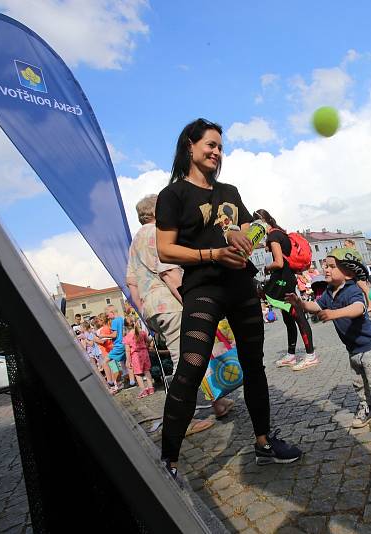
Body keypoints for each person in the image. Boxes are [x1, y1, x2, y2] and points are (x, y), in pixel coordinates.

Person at [155, 118, 301, 477]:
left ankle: (264, 443)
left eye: (221, 147)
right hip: (203, 288)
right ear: (190, 146)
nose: (217, 152)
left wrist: (243, 234)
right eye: (211, 145)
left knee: (254, 366)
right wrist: (214, 254)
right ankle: (168, 462)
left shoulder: (230, 192)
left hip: (240, 286)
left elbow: (252, 228)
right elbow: (165, 249)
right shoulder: (172, 196)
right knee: (190, 368)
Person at [126, 194, 230, 429]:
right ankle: (184, 421)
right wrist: (192, 302)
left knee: (193, 355)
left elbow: (131, 282)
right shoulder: (157, 234)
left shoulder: (135, 241)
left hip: (153, 307)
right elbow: (170, 273)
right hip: (171, 304)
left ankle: (218, 403)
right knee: (183, 360)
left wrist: (144, 313)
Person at [285, 248, 371, 432]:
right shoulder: (329, 292)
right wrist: (300, 304)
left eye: (332, 266)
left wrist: (334, 313)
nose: (326, 269)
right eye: (325, 265)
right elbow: (315, 306)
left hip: (369, 346)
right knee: (359, 383)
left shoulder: (352, 290)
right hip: (353, 349)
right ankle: (370, 409)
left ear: (348, 273)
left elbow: (358, 308)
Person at [254, 208, 319, 371]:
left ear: (261, 222)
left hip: (283, 279)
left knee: (296, 314)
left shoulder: (273, 236)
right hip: (285, 278)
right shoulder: (279, 233)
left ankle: (310, 355)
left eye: (255, 225)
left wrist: (267, 268)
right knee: (288, 317)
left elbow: (279, 263)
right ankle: (291, 354)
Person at [123, 316, 155, 399]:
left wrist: (128, 361)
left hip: (135, 356)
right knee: (146, 371)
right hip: (145, 353)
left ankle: (143, 390)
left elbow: (127, 351)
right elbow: (148, 341)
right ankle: (151, 388)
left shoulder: (127, 337)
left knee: (137, 374)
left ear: (125, 326)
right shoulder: (142, 333)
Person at [343, 239, 371, 312]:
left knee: (365, 290)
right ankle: (368, 306)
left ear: (351, 244)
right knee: (364, 290)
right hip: (358, 274)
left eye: (345, 245)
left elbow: (361, 264)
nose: (344, 246)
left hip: (359, 274)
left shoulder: (353, 252)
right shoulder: (351, 253)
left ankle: (370, 306)